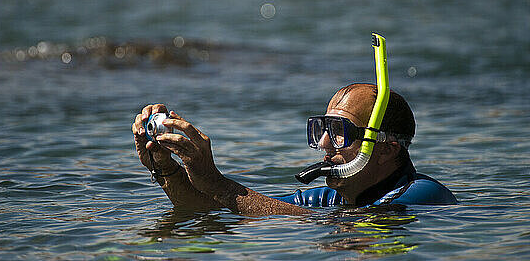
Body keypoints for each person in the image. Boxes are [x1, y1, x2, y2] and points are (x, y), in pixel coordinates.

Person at [132, 83, 456, 216]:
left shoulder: (422, 195)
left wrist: (216, 180)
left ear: (387, 149)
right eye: (323, 130)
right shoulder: (331, 199)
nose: (325, 144)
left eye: (340, 132)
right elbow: (212, 208)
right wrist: (167, 169)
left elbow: (299, 221)